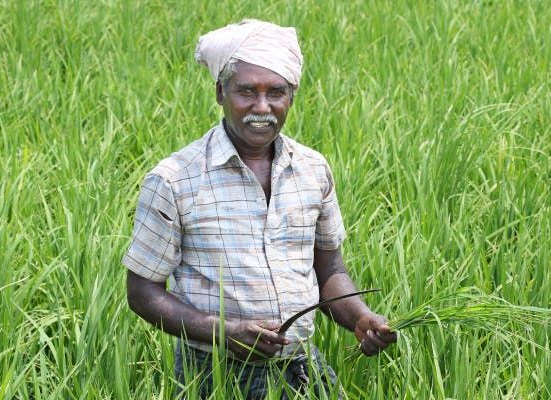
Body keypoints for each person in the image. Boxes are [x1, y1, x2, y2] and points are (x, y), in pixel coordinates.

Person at [123, 19, 396, 398]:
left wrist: (360, 318)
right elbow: (142, 291)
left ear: (292, 96)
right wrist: (225, 332)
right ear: (221, 92)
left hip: (301, 367)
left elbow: (329, 269)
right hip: (214, 372)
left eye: (276, 93)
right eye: (246, 92)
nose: (262, 107)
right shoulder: (175, 180)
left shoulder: (313, 170)